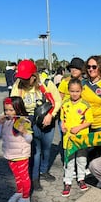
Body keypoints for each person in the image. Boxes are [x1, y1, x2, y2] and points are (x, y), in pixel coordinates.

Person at [11, 60, 62, 191]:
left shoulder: (46, 83)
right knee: (35, 151)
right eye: (21, 77)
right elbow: (13, 104)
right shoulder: (18, 85)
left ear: (34, 75)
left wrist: (51, 115)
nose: (23, 80)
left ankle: (44, 171)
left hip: (47, 119)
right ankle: (34, 178)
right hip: (29, 121)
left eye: (26, 78)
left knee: (46, 149)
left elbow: (57, 101)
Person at [0, 96, 33, 202]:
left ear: (18, 109)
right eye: (6, 110)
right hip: (9, 154)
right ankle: (19, 192)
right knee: (17, 176)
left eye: (11, 110)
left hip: (21, 155)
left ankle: (26, 198)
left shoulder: (23, 121)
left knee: (24, 176)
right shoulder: (5, 121)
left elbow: (30, 139)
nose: (8, 112)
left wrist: (24, 132)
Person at [60, 78, 94, 197]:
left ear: (81, 91)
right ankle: (67, 181)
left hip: (81, 138)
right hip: (68, 138)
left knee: (81, 159)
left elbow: (90, 121)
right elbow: (62, 119)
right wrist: (62, 127)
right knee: (69, 161)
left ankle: (81, 178)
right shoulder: (65, 104)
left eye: (77, 91)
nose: (74, 94)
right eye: (72, 91)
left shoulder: (85, 105)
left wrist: (79, 128)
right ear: (69, 91)